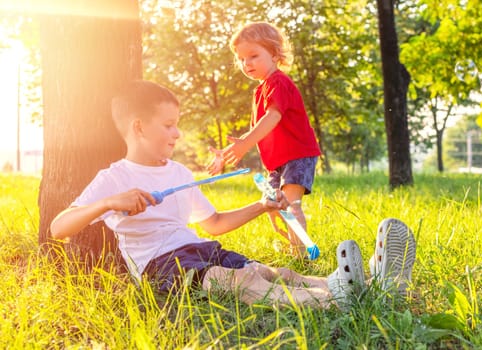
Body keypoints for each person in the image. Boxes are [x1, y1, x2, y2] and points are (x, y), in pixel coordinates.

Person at [50, 80, 416, 309]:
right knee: (240, 282)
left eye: (178, 124)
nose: (177, 134)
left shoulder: (179, 172)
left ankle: (366, 284)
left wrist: (261, 205)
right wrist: (108, 203)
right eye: (169, 125)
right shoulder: (115, 177)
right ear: (139, 127)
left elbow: (215, 223)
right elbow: (58, 228)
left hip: (200, 249)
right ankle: (338, 301)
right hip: (159, 267)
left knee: (274, 272)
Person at [206, 22, 321, 258]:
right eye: (241, 59)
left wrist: (244, 143)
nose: (246, 63)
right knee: (276, 204)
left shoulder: (278, 82)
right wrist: (230, 151)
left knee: (291, 204)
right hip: (278, 161)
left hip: (297, 154)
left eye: (253, 56)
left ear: (275, 53)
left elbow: (273, 117)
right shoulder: (260, 91)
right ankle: (295, 249)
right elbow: (258, 132)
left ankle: (301, 256)